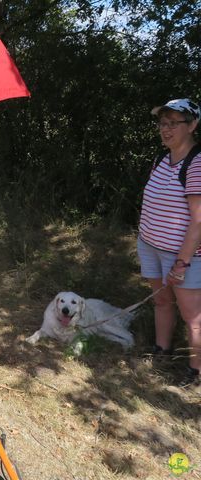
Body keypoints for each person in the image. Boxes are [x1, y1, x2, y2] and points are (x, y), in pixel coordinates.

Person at [138, 98, 201, 389]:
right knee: (161, 301)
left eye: (173, 123)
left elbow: (199, 220)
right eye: (163, 123)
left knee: (194, 317)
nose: (166, 129)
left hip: (182, 256)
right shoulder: (161, 159)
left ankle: (195, 370)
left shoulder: (196, 163)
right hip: (150, 245)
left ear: (192, 125)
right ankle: (161, 351)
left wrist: (182, 261)